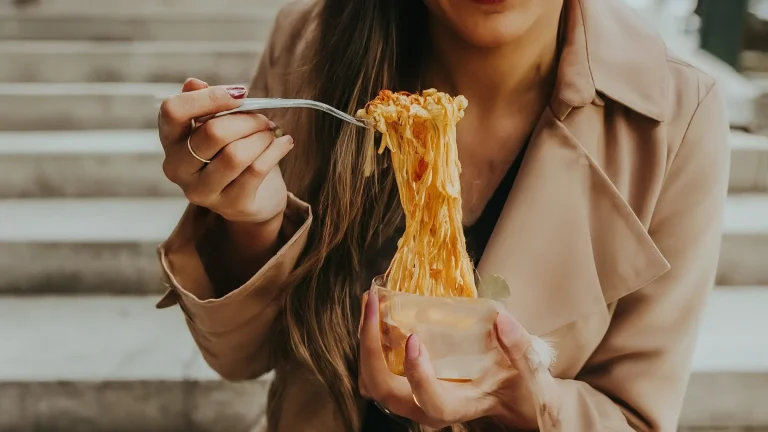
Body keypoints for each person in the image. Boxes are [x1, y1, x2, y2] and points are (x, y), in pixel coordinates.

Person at [155, 0, 731, 430]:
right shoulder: (313, 42)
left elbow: (638, 418)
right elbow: (240, 356)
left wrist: (527, 399)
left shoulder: (676, 115)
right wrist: (249, 223)